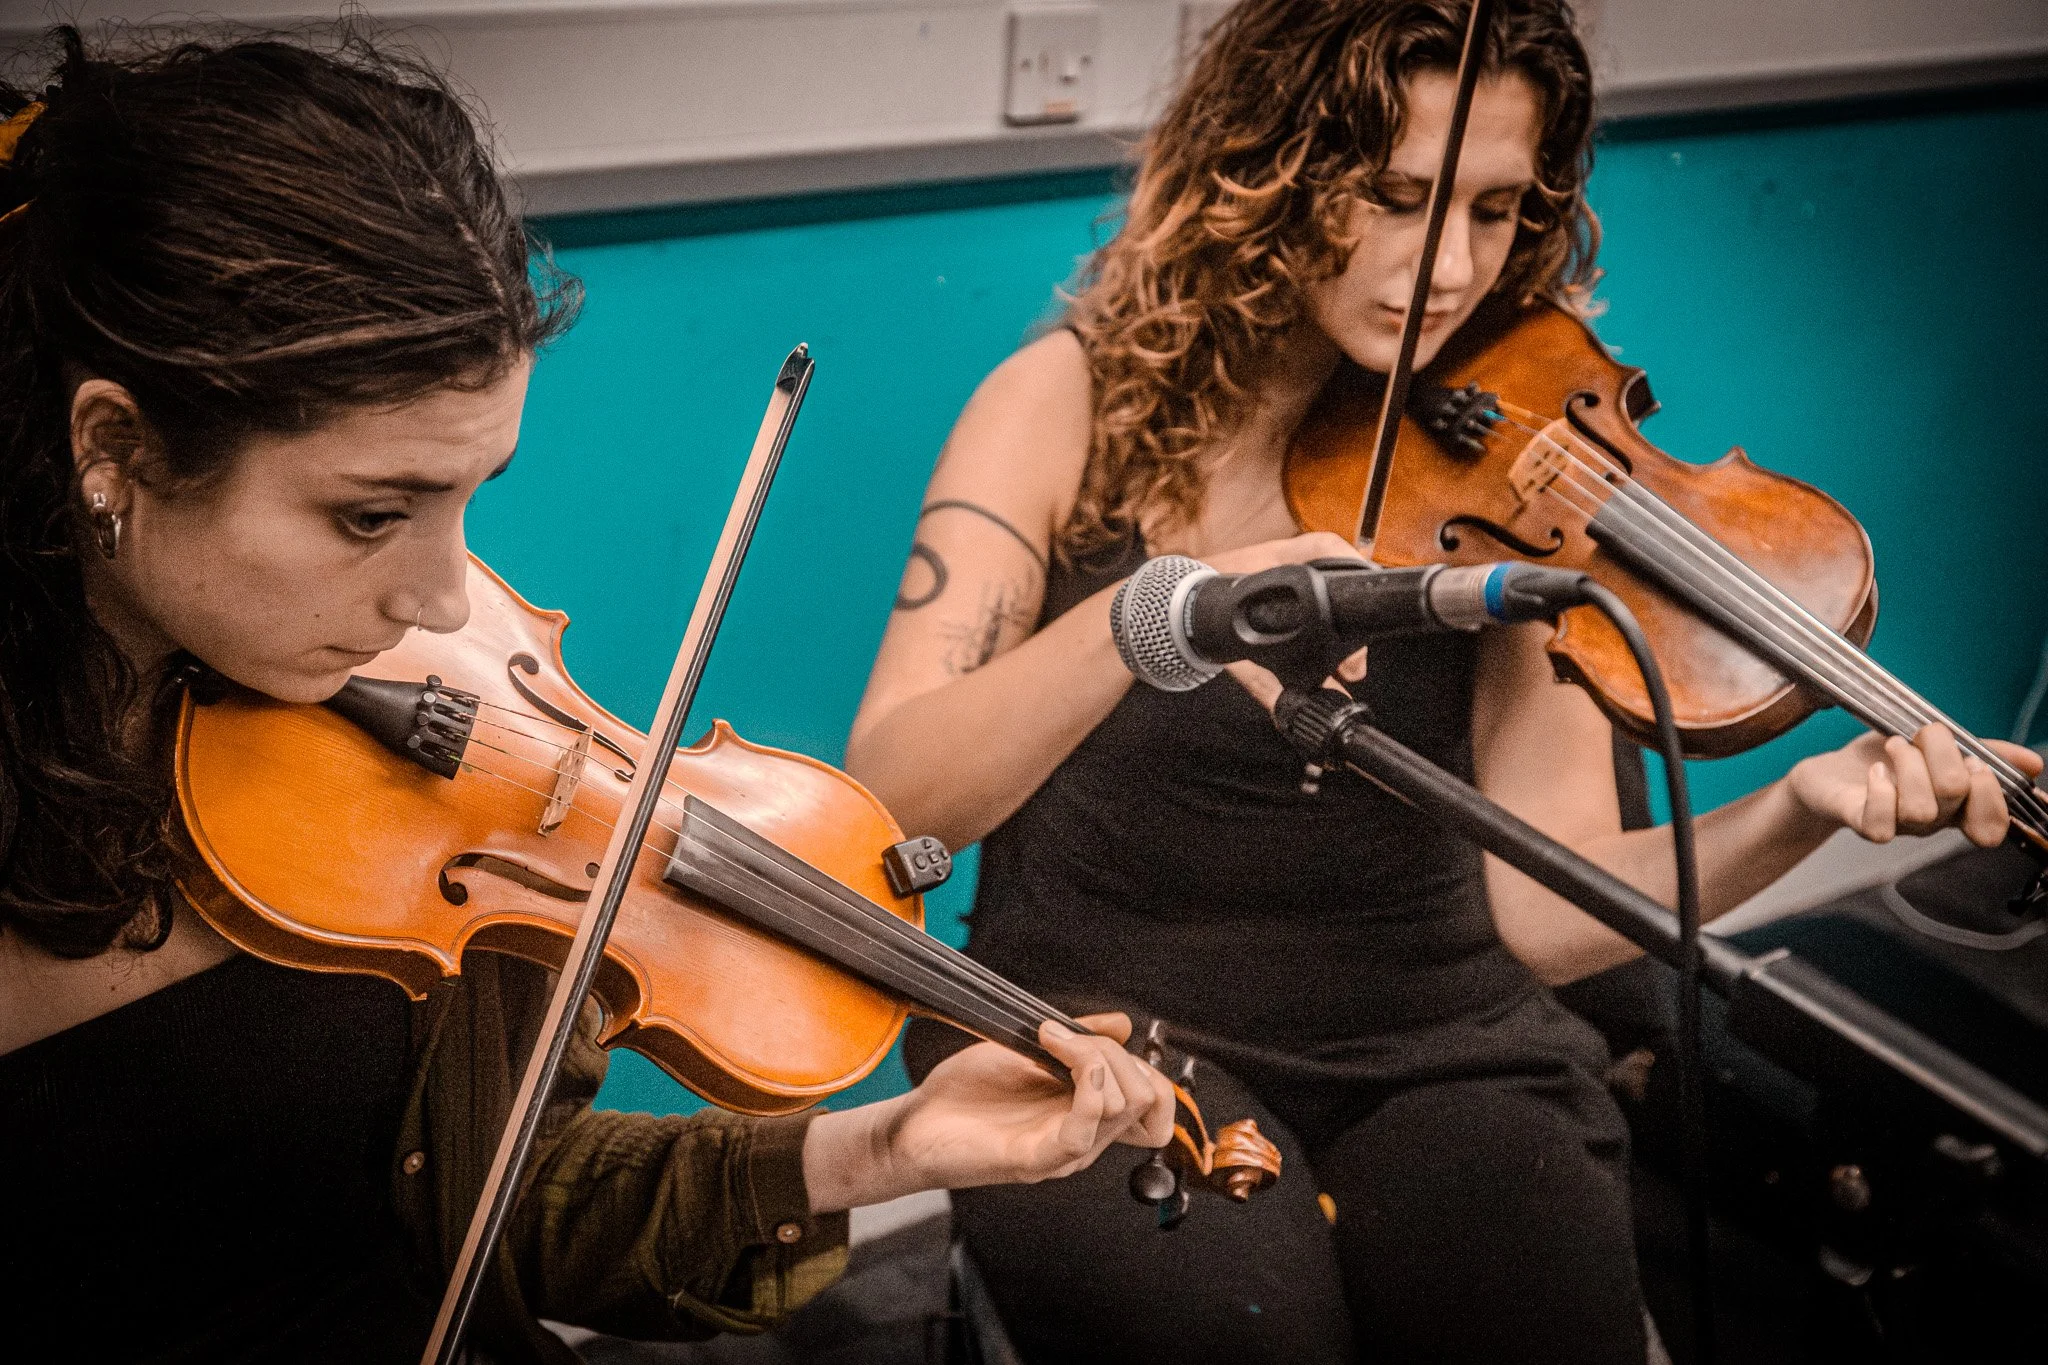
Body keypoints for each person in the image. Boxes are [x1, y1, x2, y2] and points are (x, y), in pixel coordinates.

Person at [844, 1, 2046, 1361]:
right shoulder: (1069, 407)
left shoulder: (1521, 450)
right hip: (1102, 1025)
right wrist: (1147, 617)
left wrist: (1803, 810)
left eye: (1494, 210)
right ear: (1268, 171)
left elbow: (1544, 907)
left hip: (1440, 1029)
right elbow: (888, 798)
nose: (1452, 267)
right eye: (1401, 198)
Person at [0, 26, 1176, 1364]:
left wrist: (884, 1146)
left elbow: (496, 1210)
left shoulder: (422, 774)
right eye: (371, 514)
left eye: (468, 497)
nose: (446, 601)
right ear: (115, 449)